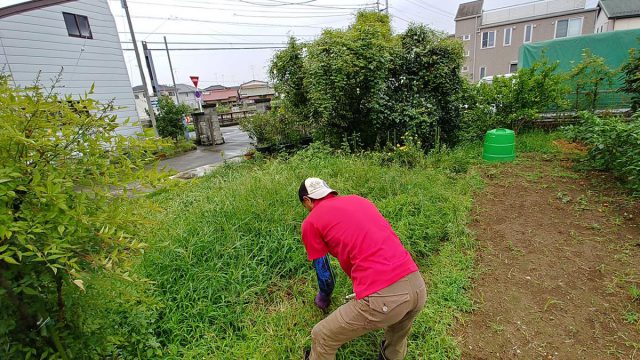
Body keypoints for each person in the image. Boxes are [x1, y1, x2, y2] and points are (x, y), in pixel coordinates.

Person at [298, 177, 427, 360]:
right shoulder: (360, 201)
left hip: (385, 300)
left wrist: (323, 298)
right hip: (417, 286)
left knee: (322, 335)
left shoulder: (311, 223)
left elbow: (323, 271)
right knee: (397, 331)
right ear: (329, 191)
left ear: (307, 200)